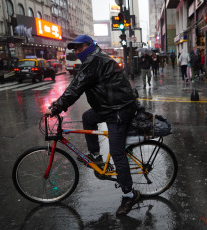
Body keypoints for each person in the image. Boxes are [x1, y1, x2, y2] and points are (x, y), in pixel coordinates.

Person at [43, 35, 141, 216]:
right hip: (109, 106)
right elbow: (78, 85)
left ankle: (129, 194)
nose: (78, 51)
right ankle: (95, 155)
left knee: (117, 152)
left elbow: (76, 87)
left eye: (80, 48)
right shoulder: (93, 57)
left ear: (89, 45)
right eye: (75, 49)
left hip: (119, 109)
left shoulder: (94, 59)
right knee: (88, 117)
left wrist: (56, 107)